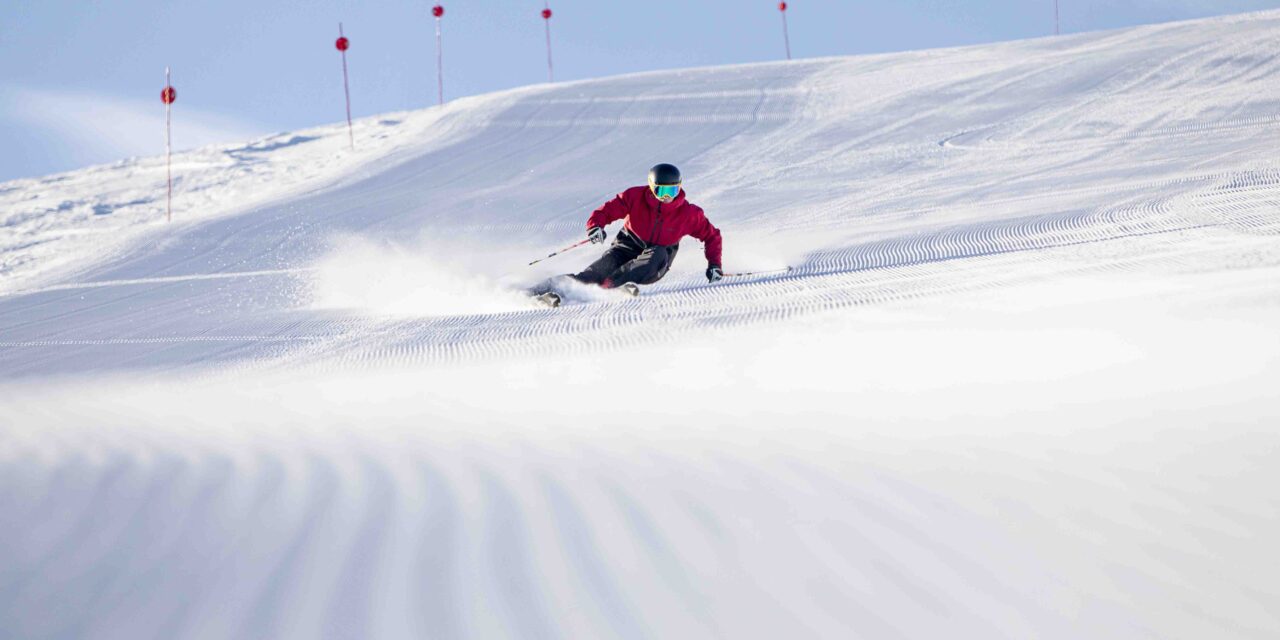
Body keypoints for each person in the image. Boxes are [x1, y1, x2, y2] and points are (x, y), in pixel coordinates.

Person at [533, 163, 723, 305]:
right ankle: (544, 290)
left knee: (655, 255)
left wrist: (714, 264)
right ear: (651, 186)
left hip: (656, 259)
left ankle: (612, 288)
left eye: (673, 190)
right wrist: (596, 225)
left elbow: (712, 236)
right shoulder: (635, 197)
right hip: (626, 246)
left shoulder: (689, 214)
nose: (667, 197)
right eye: (662, 190)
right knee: (595, 272)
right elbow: (608, 210)